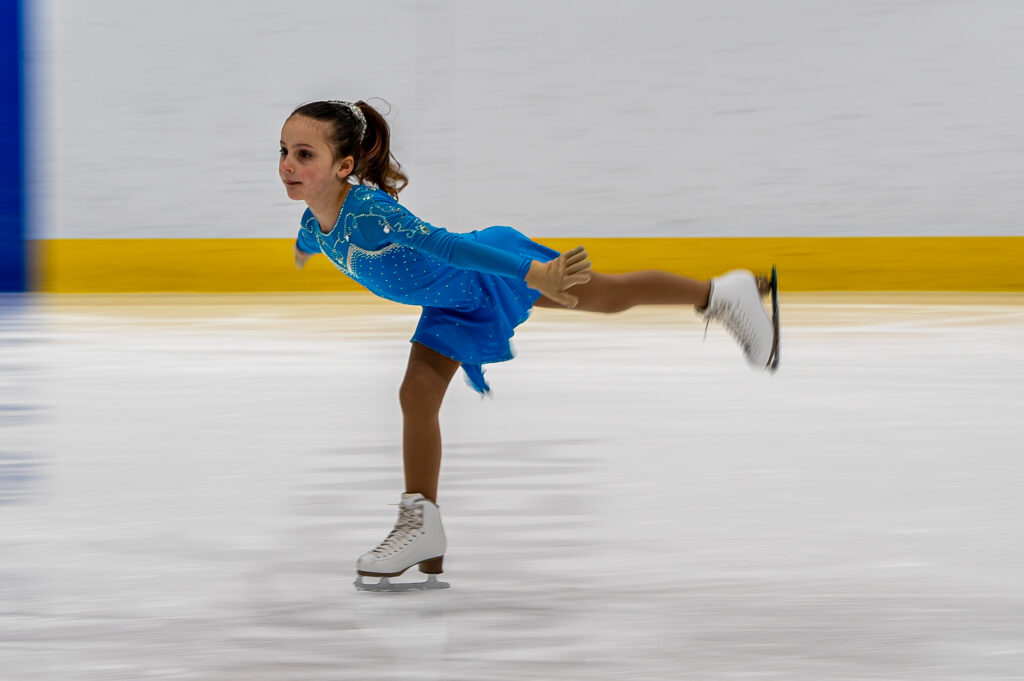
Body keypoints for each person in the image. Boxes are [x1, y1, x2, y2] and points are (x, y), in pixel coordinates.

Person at [280, 99, 779, 591]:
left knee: (608, 296)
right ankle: (421, 524)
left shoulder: (368, 212)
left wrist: (533, 272)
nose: (288, 165)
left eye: (305, 154)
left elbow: (445, 245)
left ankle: (723, 295)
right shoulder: (313, 220)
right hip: (451, 302)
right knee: (418, 394)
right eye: (283, 151)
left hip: (487, 271)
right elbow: (312, 236)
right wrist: (304, 249)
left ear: (344, 165)